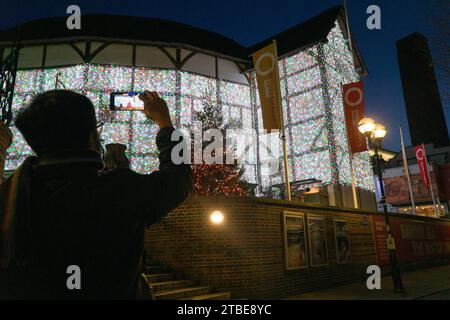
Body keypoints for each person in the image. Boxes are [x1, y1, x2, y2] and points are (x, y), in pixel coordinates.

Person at [0, 90, 192, 299]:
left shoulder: (10, 196)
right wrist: (164, 123)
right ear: (92, 138)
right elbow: (178, 178)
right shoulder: (120, 190)